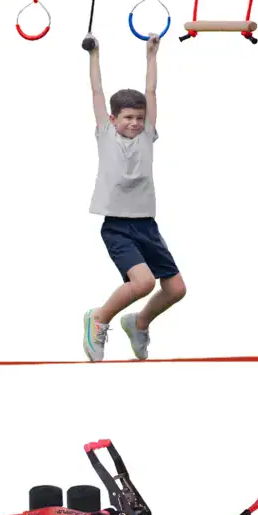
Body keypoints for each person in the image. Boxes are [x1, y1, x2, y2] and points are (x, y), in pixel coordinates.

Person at [83, 33, 186, 361]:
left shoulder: (146, 136)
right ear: (113, 120)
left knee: (175, 289)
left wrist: (151, 55)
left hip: (146, 225)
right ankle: (98, 318)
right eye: (128, 118)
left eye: (139, 118)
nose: (135, 123)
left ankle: (138, 322)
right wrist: (94, 54)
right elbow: (97, 91)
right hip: (117, 226)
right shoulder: (106, 134)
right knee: (142, 283)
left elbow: (151, 91)